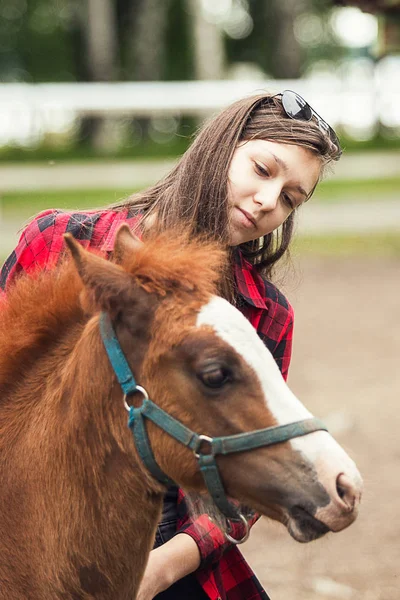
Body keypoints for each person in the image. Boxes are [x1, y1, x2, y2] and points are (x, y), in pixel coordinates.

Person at [0, 90, 341, 600]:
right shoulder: (60, 239)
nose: (269, 201)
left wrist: (162, 567)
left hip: (164, 538)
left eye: (291, 198)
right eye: (262, 169)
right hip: (23, 519)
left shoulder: (265, 313)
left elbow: (249, 471)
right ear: (220, 147)